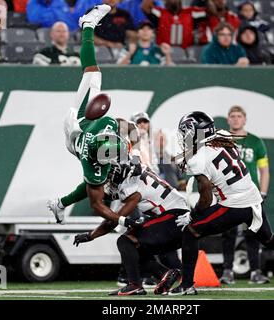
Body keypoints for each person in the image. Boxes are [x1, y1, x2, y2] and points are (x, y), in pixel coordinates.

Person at [171, 111, 274, 295]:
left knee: (191, 232)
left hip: (234, 204)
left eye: (187, 133)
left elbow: (205, 194)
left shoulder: (199, 158)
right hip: (253, 198)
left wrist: (195, 214)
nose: (185, 137)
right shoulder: (223, 137)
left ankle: (187, 285)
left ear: (196, 133)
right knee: (271, 240)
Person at [46, 5, 140, 231]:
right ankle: (60, 203)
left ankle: (87, 26)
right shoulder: (94, 164)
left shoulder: (105, 124)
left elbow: (128, 127)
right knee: (99, 185)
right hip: (81, 133)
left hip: (80, 125)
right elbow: (96, 204)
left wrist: (133, 147)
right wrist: (122, 221)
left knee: (92, 72)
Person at [73, 162, 188, 295]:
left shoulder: (131, 187)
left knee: (126, 240)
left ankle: (134, 285)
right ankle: (164, 273)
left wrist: (90, 235)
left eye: (109, 180)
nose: (108, 184)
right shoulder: (138, 176)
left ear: (117, 176)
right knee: (134, 249)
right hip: (177, 219)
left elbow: (113, 221)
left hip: (173, 219)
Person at [219, 106, 270, 285]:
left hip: (251, 193)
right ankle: (227, 271)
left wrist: (263, 192)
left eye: (239, 116)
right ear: (228, 119)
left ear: (245, 119)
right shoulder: (221, 140)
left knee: (253, 232)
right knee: (228, 233)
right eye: (232, 116)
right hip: (228, 193)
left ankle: (255, 271)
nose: (235, 119)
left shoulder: (256, 142)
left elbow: (264, 170)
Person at [141, 0, 207, 49]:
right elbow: (145, 7)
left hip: (186, 52)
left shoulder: (191, 12)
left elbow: (210, 11)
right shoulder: (160, 13)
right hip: (163, 51)